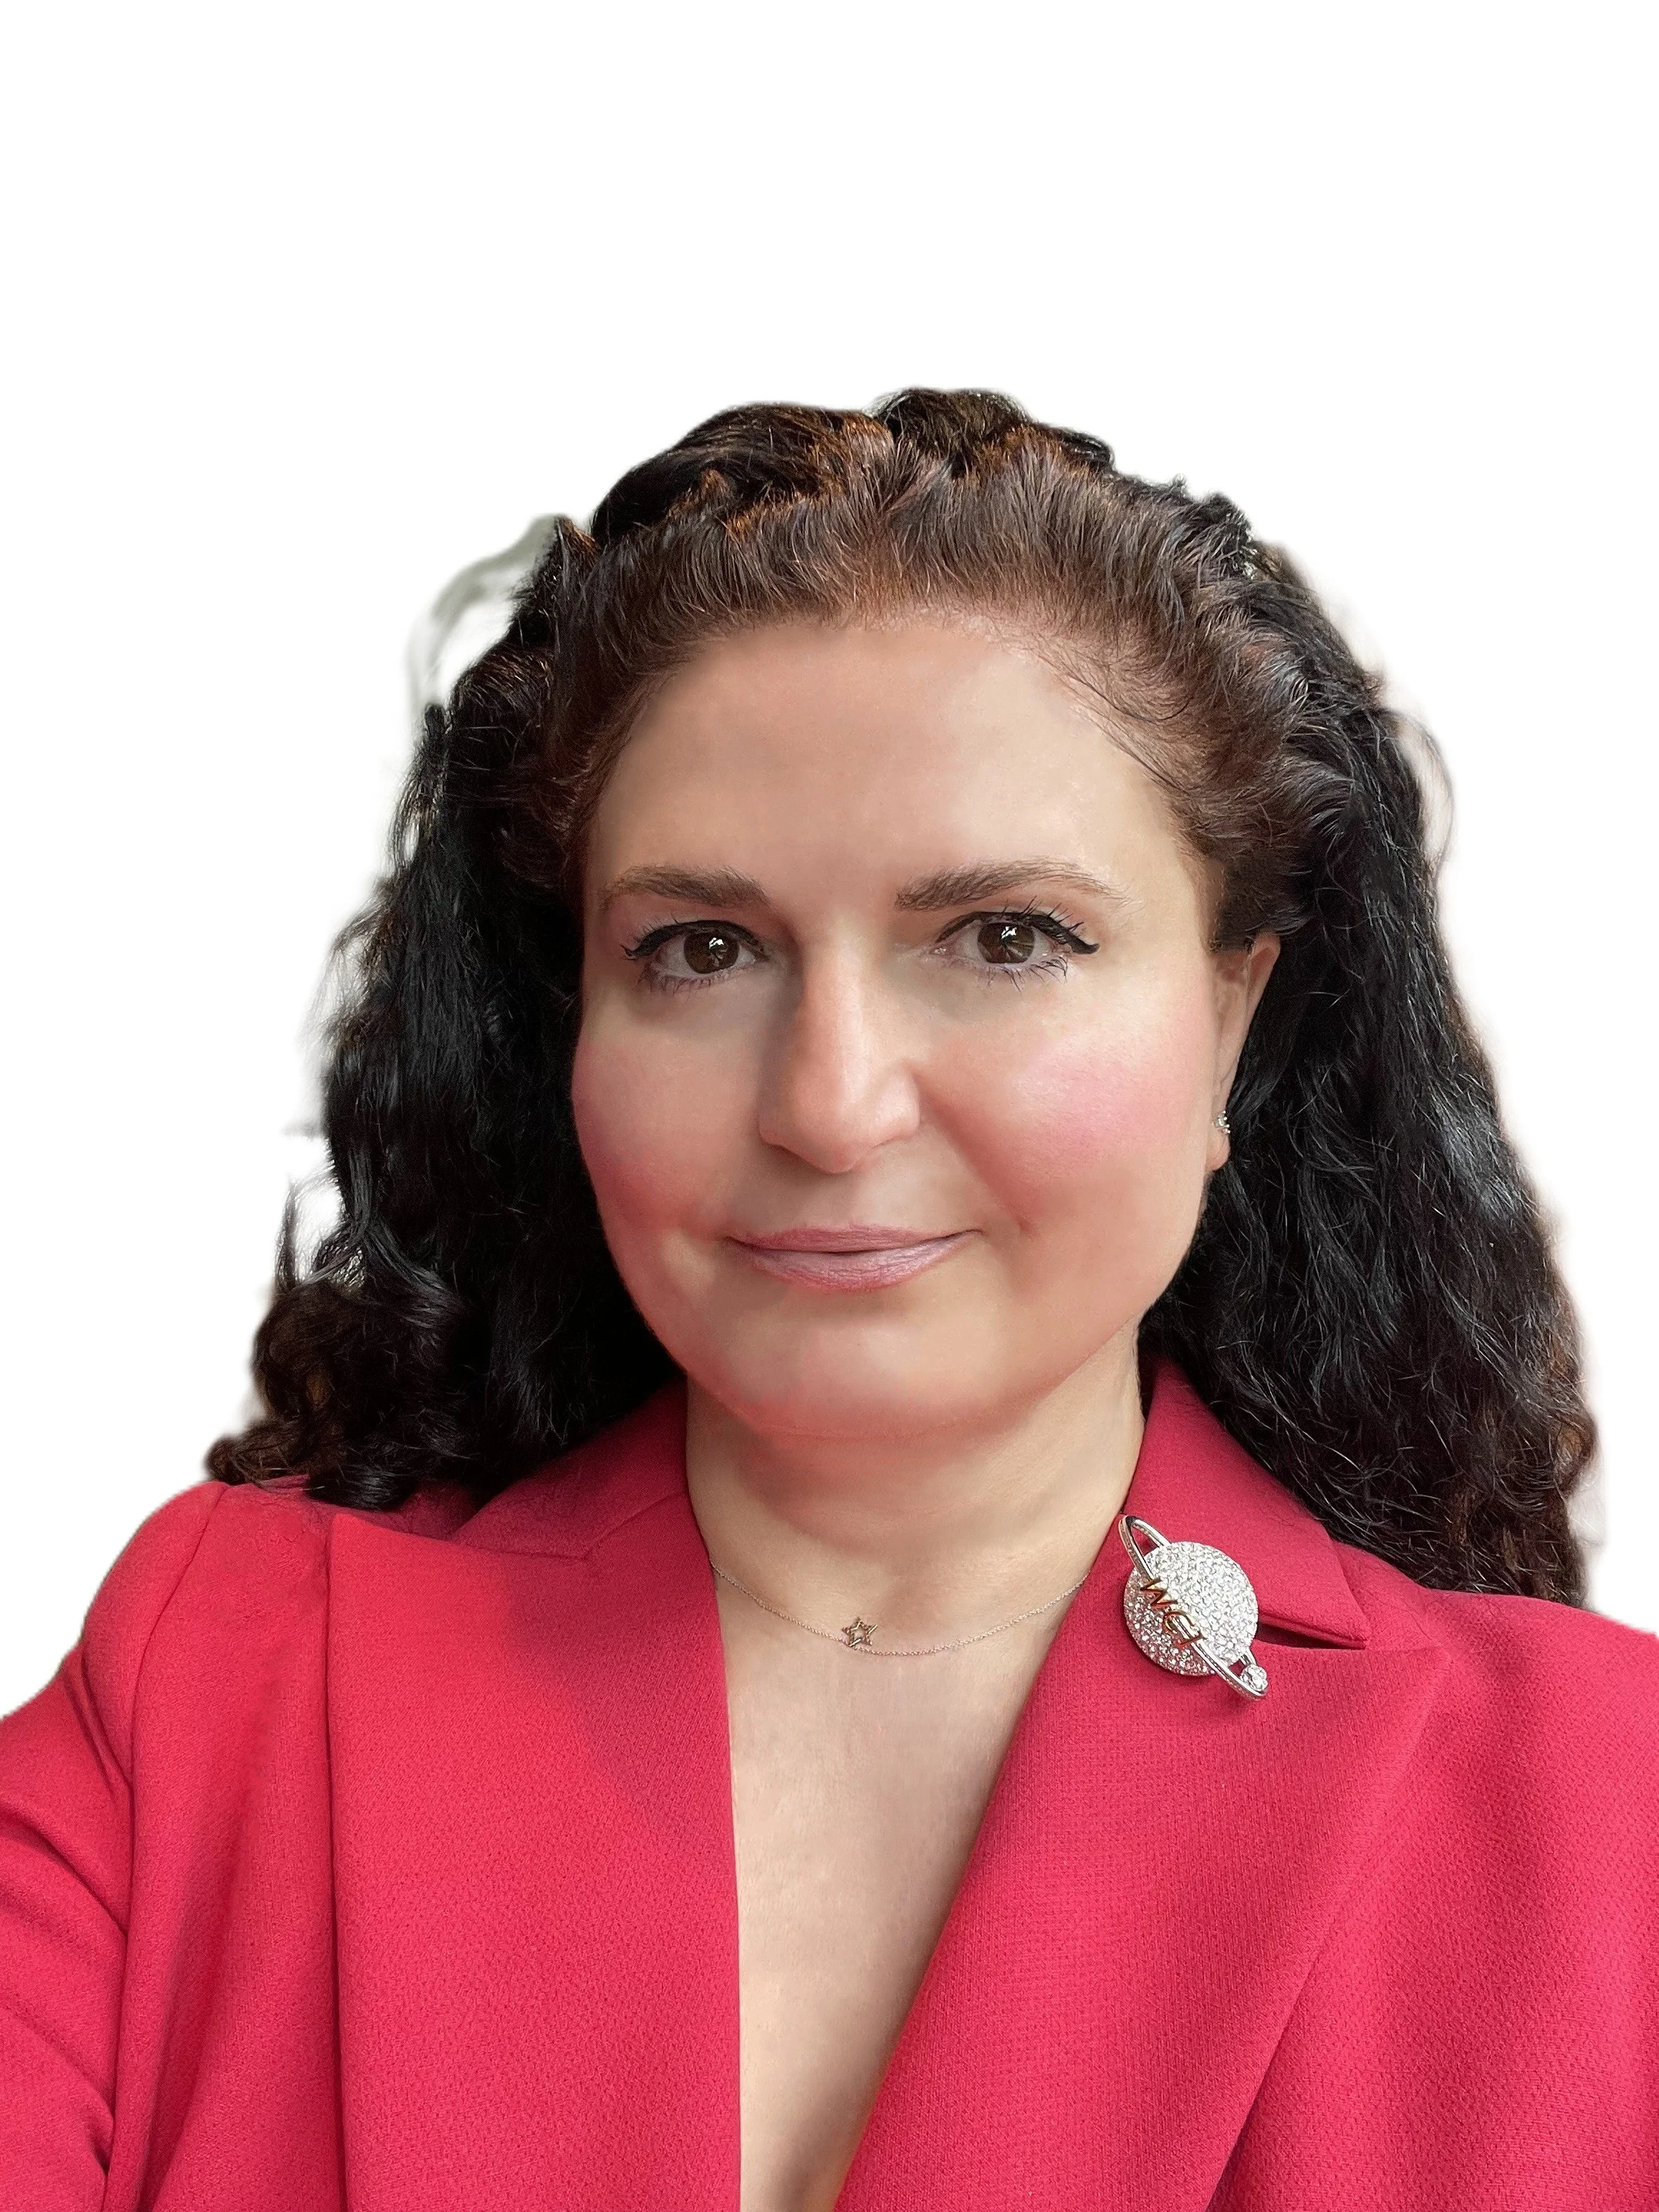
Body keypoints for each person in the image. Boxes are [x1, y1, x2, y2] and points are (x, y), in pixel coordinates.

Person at [1, 390, 1654, 2211]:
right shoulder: (215, 1683)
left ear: (1235, 1018)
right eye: (701, 949)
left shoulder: (1611, 1816)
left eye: (1006, 936)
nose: (830, 1101)